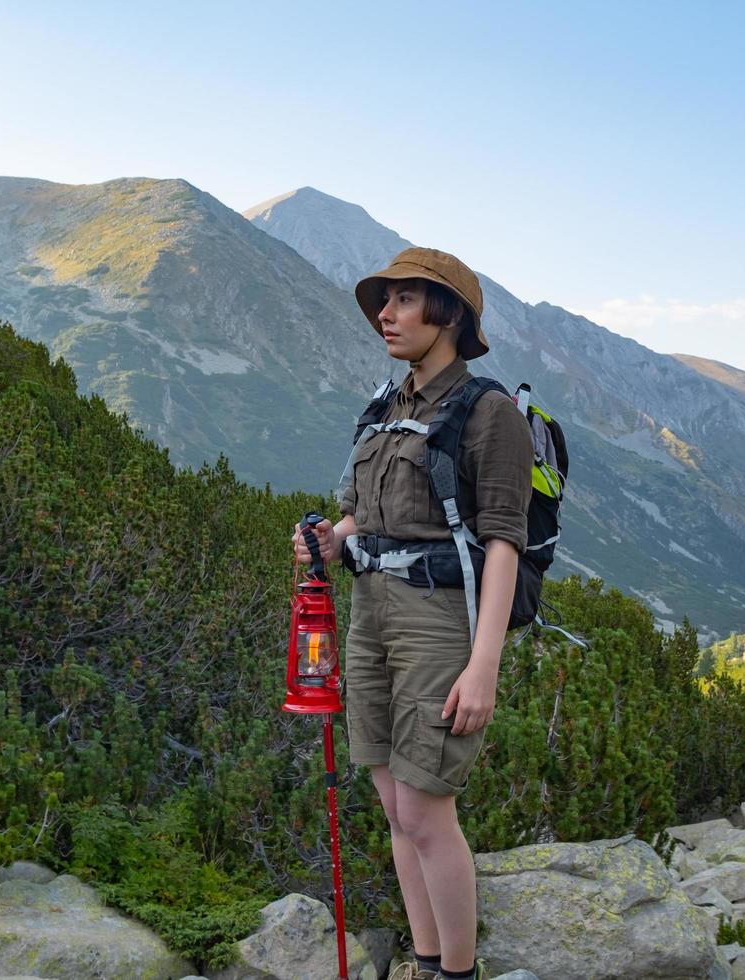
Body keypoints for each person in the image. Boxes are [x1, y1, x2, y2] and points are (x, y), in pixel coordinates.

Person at [292, 247, 532, 980]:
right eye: (383, 301)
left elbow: (503, 545)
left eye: (403, 300)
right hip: (370, 617)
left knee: (428, 813)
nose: (384, 315)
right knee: (396, 808)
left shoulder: (489, 414)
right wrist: (333, 540)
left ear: (450, 314)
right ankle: (426, 964)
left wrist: (483, 666)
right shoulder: (386, 407)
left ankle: (456, 974)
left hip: (439, 623)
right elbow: (368, 514)